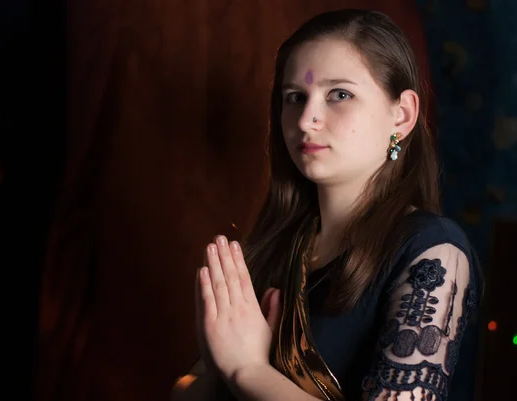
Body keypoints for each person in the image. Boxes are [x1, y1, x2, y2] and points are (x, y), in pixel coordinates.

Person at [171, 9, 482, 401]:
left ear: (401, 116)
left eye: (340, 94)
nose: (305, 120)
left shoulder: (432, 249)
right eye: (294, 97)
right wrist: (217, 367)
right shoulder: (274, 247)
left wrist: (246, 369)